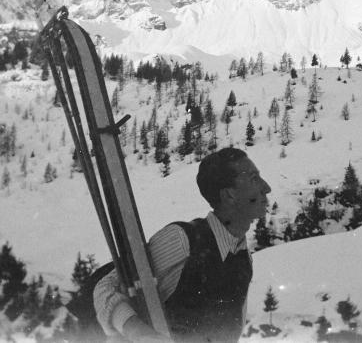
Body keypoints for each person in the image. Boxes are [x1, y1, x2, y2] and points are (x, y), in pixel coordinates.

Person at [93, 147, 271, 343]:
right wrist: (140, 333)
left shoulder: (244, 260)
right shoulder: (184, 240)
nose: (266, 187)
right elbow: (106, 287)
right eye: (254, 179)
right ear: (229, 195)